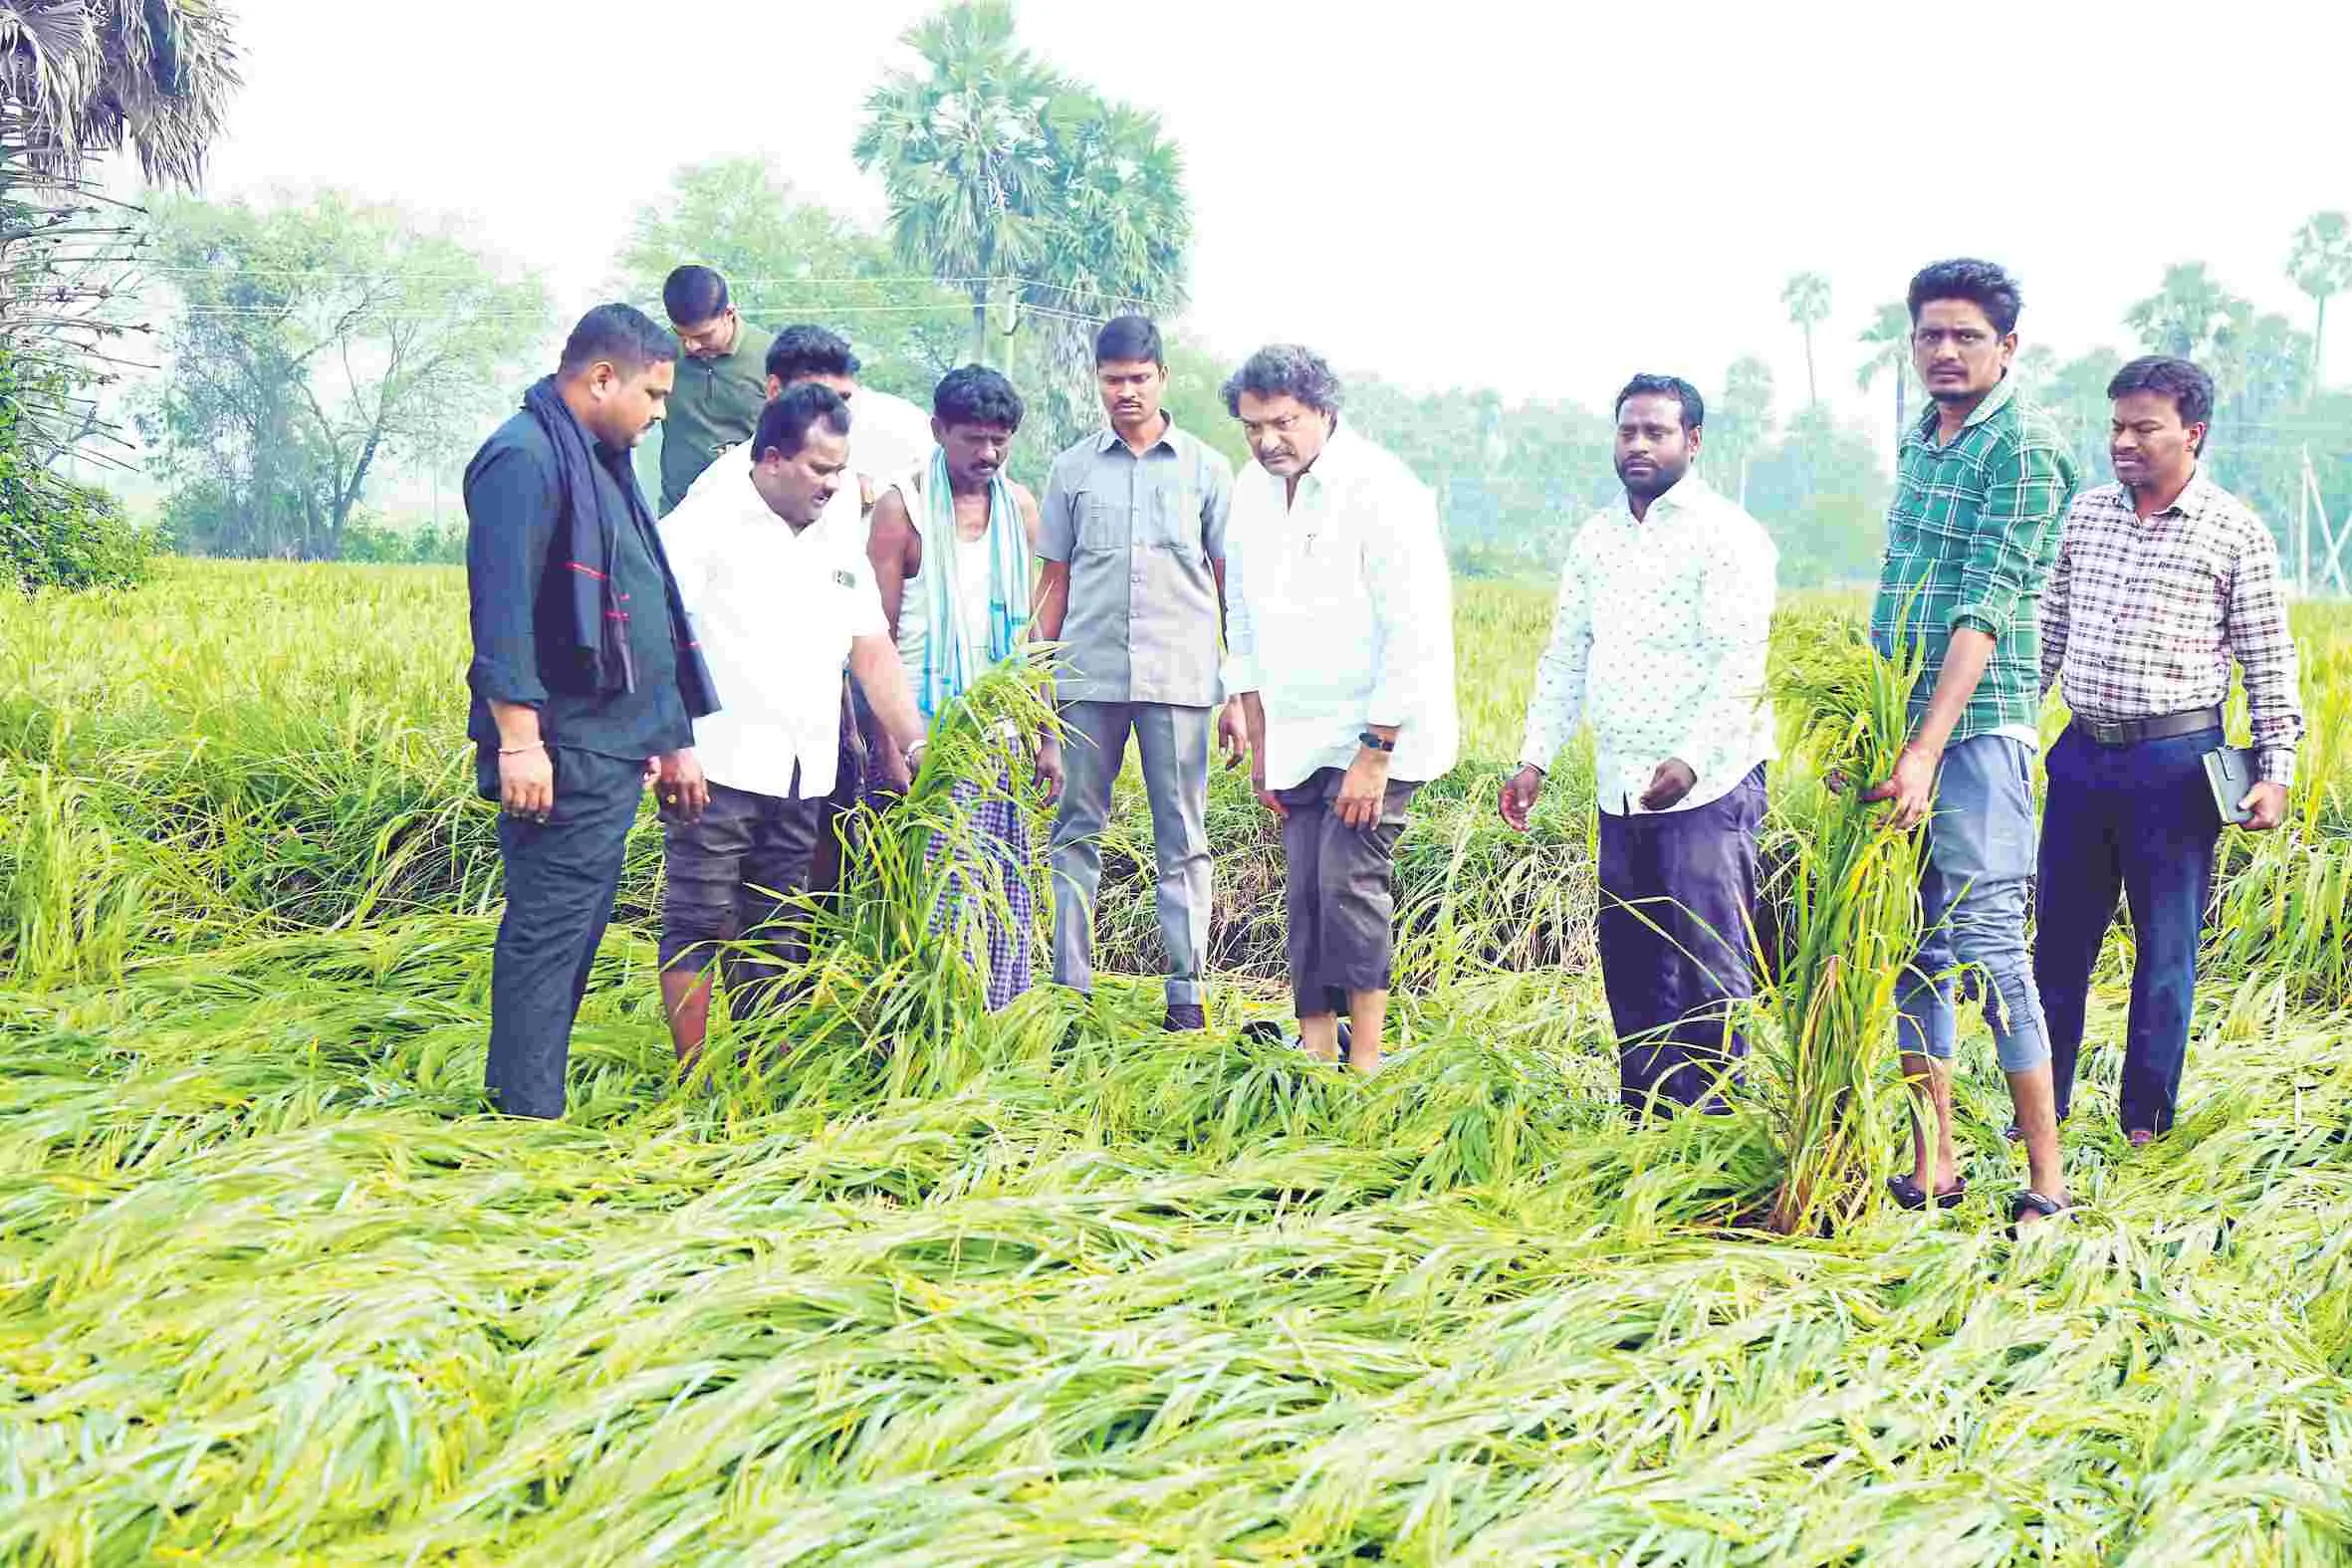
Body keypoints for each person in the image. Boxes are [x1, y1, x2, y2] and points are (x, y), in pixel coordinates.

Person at [2035, 355, 2301, 1144]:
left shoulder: (2234, 532)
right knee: (2059, 941)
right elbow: (2046, 636)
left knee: (2166, 951)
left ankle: (2145, 1120)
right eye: (2116, 425)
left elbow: (2269, 660)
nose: (2124, 440)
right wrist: (2013, 730)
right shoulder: (2085, 517)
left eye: (2144, 427)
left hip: (2177, 768)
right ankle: (2042, 1104)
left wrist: (2275, 772)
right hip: (2081, 757)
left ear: (2193, 432)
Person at [463, 303, 718, 1120]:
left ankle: (536, 1098)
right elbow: (500, 614)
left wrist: (667, 734)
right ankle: (524, 1115)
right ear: (602, 377)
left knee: (574, 931)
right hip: (558, 749)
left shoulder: (599, 459)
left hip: (608, 744)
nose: (661, 411)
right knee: (546, 934)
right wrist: (518, 743)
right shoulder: (523, 458)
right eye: (653, 391)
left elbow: (646, 598)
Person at [1862, 259, 2076, 1228]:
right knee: (1912, 945)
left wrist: (1926, 747)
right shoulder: (1922, 438)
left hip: (1978, 729)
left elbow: (1983, 608)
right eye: (1928, 336)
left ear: (2008, 347)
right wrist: (1879, 727)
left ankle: (2045, 1182)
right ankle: (1933, 1159)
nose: (1943, 353)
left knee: (1991, 948)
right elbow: (1899, 585)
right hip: (1901, 721)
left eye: (1965, 337)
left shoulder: (2024, 449)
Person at [1501, 374, 1776, 1117]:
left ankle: (1716, 1121)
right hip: (1621, 783)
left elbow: (1739, 663)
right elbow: (1566, 654)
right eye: (1628, 431)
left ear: (1692, 441)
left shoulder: (1728, 535)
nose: (1639, 445)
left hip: (1709, 786)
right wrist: (1536, 758)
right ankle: (1648, 1117)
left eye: (1657, 432)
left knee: (1704, 958)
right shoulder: (1598, 537)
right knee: (1631, 955)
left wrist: (1689, 758)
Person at [654, 384, 931, 1063]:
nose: (837, 485)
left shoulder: (839, 528)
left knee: (778, 924)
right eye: (820, 469)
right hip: (715, 764)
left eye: (841, 469)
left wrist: (916, 738)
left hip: (803, 766)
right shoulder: (704, 522)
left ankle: (762, 1064)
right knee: (696, 918)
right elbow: (651, 637)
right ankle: (696, 1079)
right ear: (772, 458)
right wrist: (669, 745)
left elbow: (870, 646)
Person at [1220, 344, 1457, 1073]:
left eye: (1283, 422)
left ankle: (1368, 1061)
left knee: (1347, 885)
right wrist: (1259, 739)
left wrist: (1375, 750)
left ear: (1324, 411)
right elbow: (1245, 622)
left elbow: (1413, 630)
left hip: (1378, 734)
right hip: (1295, 732)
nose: (1267, 441)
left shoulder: (1382, 490)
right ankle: (1316, 1045)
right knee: (1304, 889)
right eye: (1253, 425)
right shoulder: (1251, 492)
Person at [1034, 316, 1236, 1031]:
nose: (1126, 392)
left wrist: (1237, 689)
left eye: (1139, 378)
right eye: (1113, 379)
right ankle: (1070, 992)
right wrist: (1036, 691)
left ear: (1162, 378)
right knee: (1074, 831)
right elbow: (1053, 585)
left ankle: (1186, 995)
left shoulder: (1208, 469)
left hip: (1181, 682)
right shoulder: (1071, 469)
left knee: (1182, 836)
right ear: (1098, 381)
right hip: (1086, 680)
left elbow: (1226, 585)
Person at [865, 365, 1056, 1011]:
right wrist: (892, 745)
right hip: (925, 735)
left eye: (1002, 440)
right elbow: (875, 636)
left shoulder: (1021, 508)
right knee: (934, 887)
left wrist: (1046, 735)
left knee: (1001, 880)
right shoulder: (903, 509)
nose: (990, 454)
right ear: (937, 429)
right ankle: (934, 1017)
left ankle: (996, 1020)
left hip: (1001, 733)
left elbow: (1033, 635)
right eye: (974, 439)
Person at [656, 265, 774, 516]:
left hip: (752, 513)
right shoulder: (658, 353)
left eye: (704, 336)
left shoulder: (773, 356)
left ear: (729, 313)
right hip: (679, 513)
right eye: (681, 335)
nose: (691, 346)